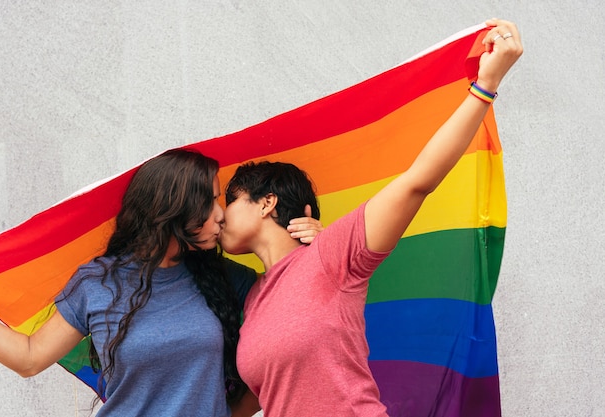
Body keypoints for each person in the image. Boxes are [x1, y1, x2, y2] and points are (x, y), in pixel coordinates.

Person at [219, 19, 523, 417]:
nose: (220, 215)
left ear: (266, 203)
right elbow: (267, 395)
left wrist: (484, 88)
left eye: (230, 199)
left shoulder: (332, 253)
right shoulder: (255, 299)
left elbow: (418, 181)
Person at [0, 148, 321, 416]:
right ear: (176, 205)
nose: (221, 215)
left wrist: (319, 247)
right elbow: (28, 358)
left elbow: (301, 301)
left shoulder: (222, 277)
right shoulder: (98, 284)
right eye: (211, 201)